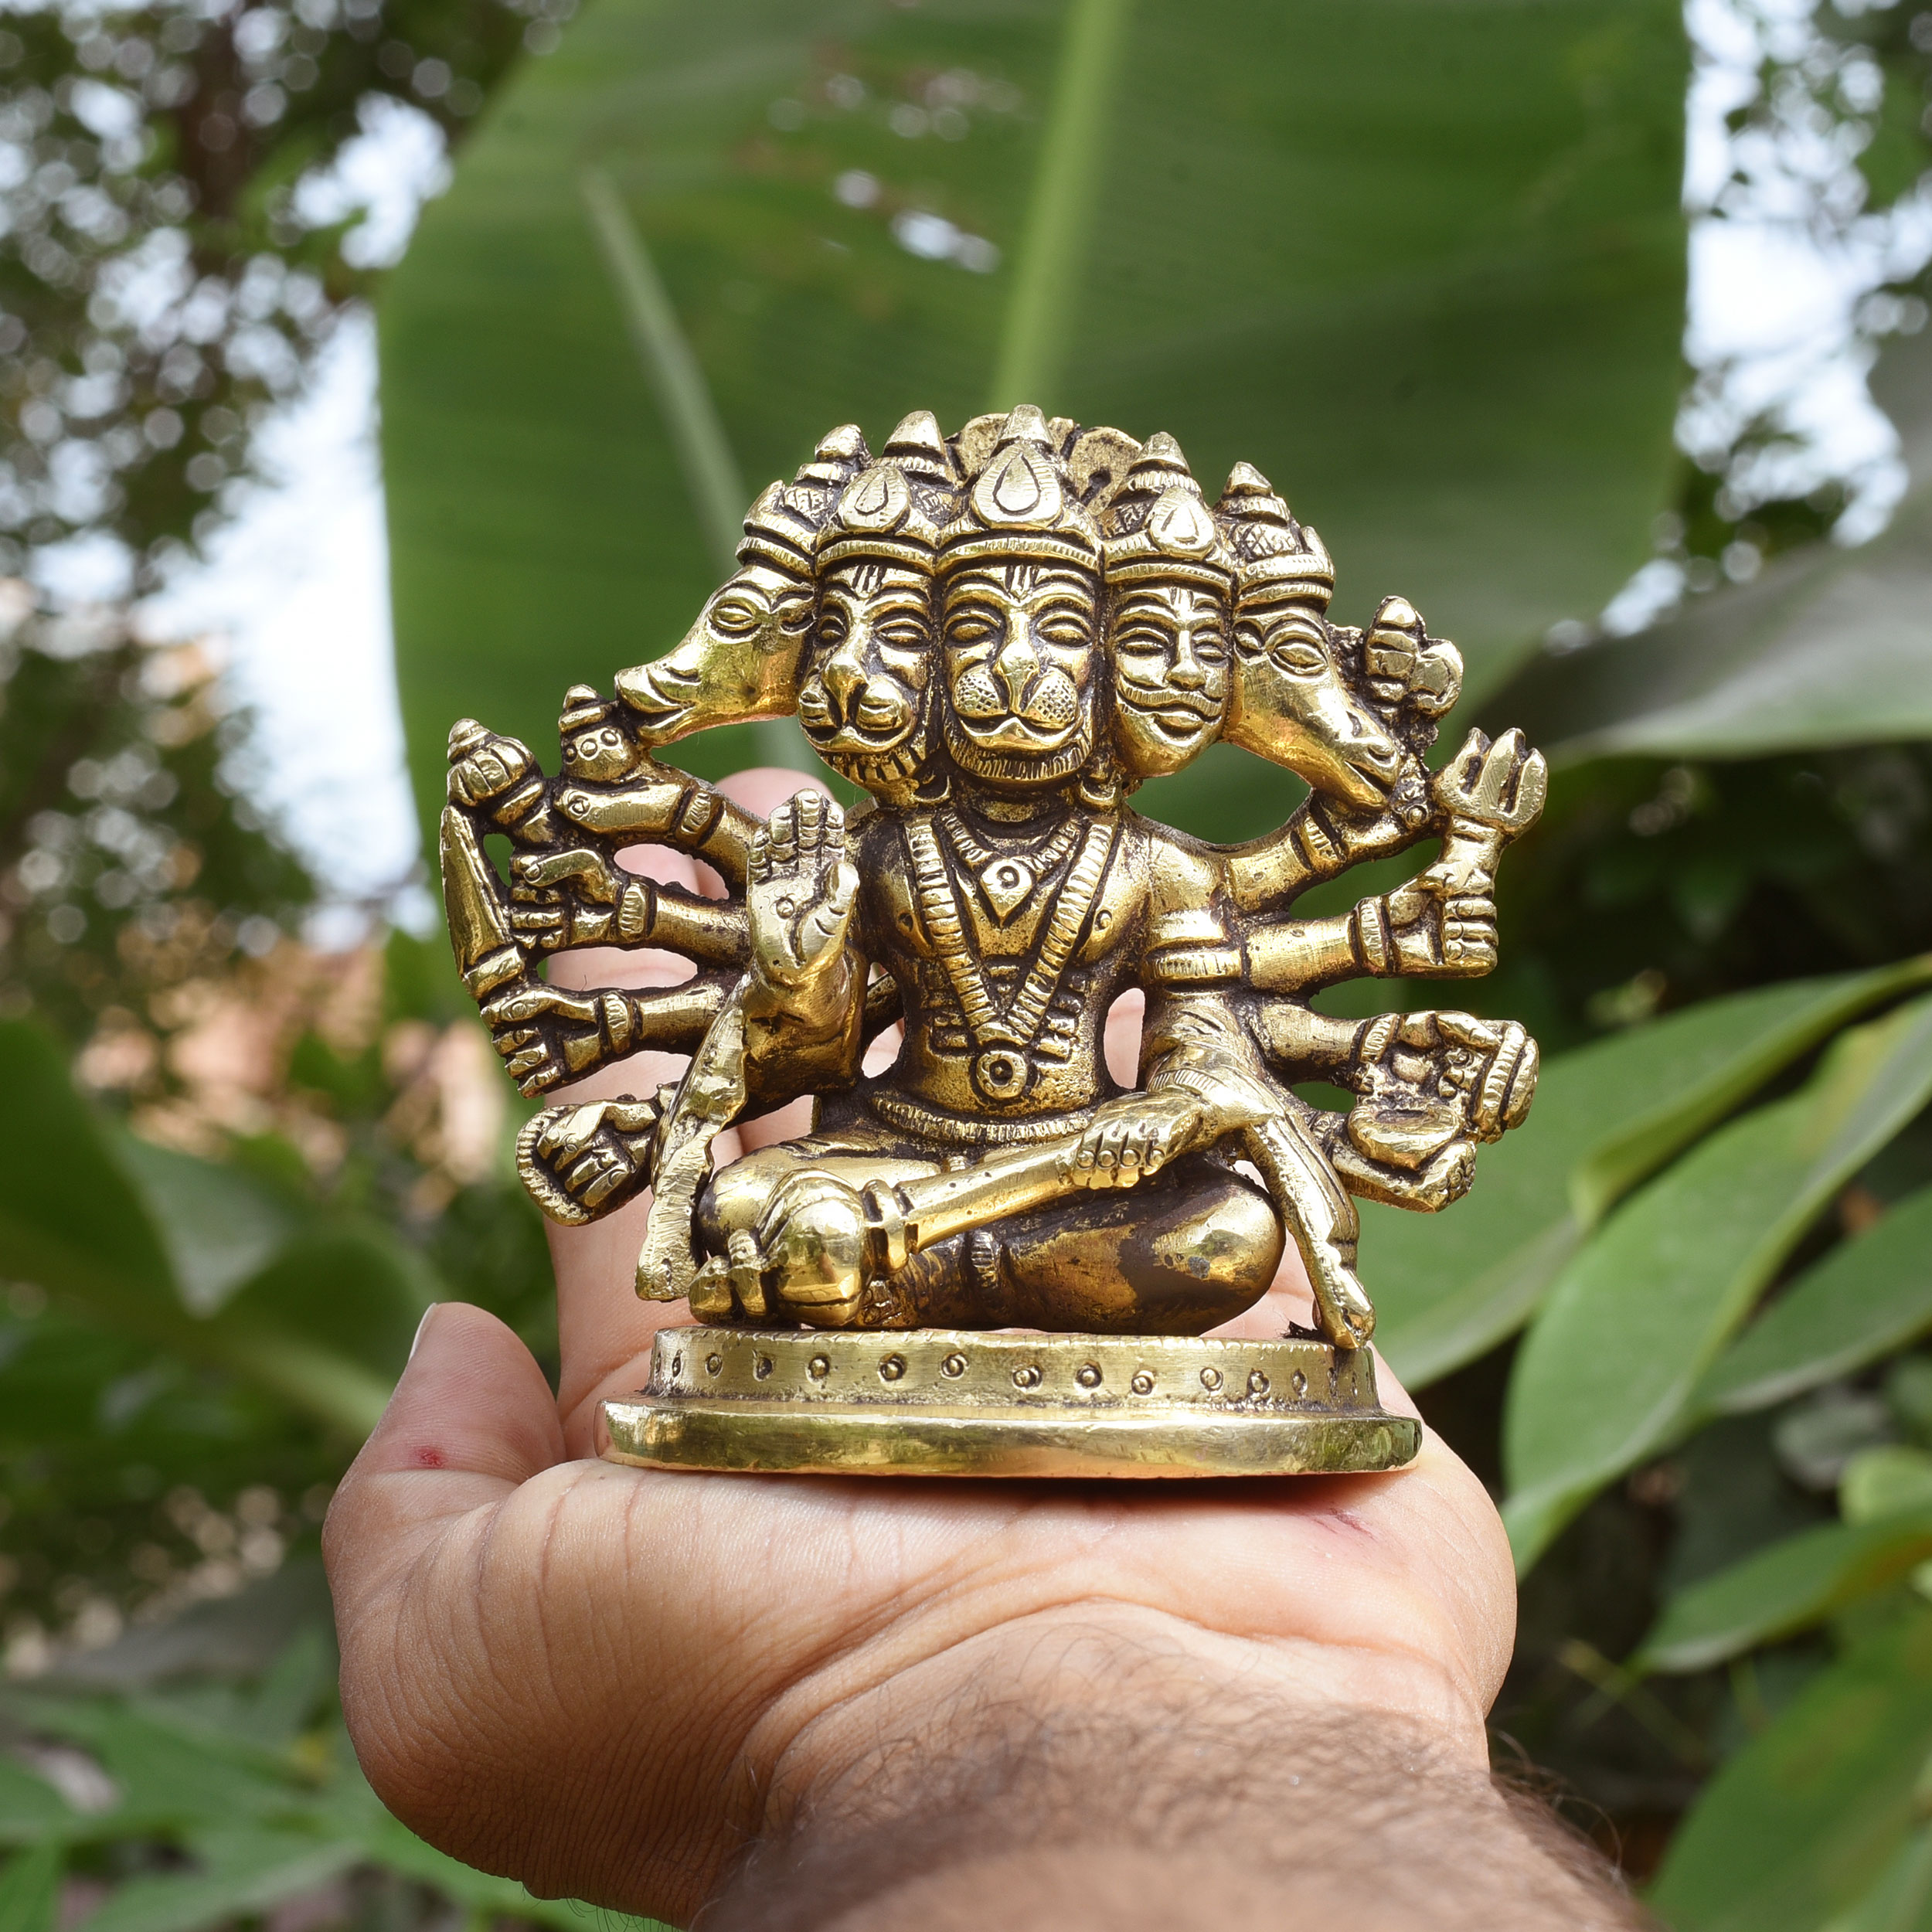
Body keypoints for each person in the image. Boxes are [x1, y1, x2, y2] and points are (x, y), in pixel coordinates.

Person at [323, 760, 1647, 1932]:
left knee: (1227, 1239)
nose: (1017, 672)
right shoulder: (881, 853)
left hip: (1084, 1194)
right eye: (973, 632)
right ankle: (862, 1263)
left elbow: (1211, 1050)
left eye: (1060, 628)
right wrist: (796, 961)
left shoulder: (1157, 866)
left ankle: (870, 1278)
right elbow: (814, 1053)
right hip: (888, 1157)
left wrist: (1175, 1106)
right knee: (753, 1205)